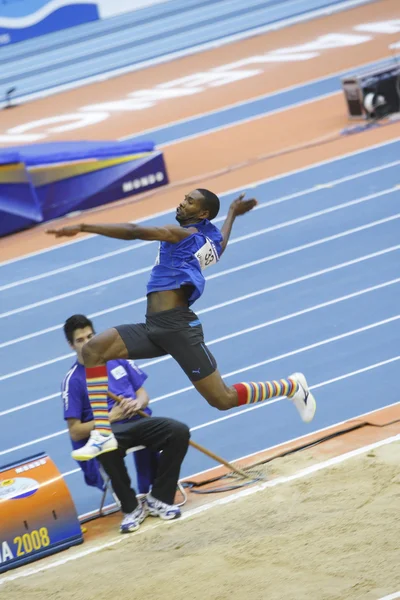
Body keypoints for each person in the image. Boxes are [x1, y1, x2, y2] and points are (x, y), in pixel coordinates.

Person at [49, 189, 316, 460]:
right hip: (153, 326)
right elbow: (220, 245)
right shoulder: (205, 239)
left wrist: (83, 226)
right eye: (185, 198)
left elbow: (133, 231)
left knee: (222, 399)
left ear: (201, 214)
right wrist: (232, 213)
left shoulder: (184, 235)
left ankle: (291, 386)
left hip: (179, 329)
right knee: (93, 350)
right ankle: (103, 434)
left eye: (190, 202)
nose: (182, 202)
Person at [62, 314, 190, 533]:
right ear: (71, 345)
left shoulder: (116, 358)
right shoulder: (73, 380)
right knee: (105, 442)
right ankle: (131, 509)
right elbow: (75, 432)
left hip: (138, 420)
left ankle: (159, 497)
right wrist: (112, 417)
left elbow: (143, 394)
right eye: (81, 340)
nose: (88, 343)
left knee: (178, 432)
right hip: (110, 430)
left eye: (90, 337)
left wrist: (136, 402)